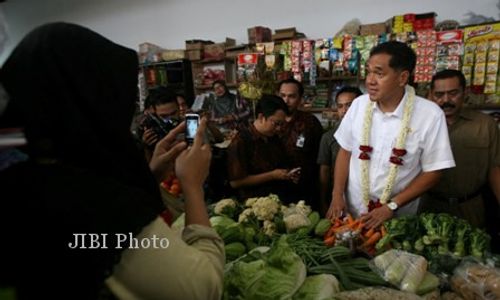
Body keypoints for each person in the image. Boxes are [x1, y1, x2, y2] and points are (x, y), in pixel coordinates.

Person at [0, 22, 224, 300]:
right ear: (91, 102)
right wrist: (192, 187)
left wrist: (149, 175)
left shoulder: (24, 178)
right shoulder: (93, 207)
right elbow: (203, 288)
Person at [327, 41, 455, 229]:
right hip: (351, 212)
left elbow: (434, 171)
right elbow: (345, 152)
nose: (370, 80)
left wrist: (392, 205)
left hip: (396, 217)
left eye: (379, 73)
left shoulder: (430, 115)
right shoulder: (359, 106)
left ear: (402, 78)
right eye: (368, 71)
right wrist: (337, 195)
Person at [420, 69, 500, 229]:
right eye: (439, 94)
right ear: (430, 95)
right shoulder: (420, 124)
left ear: (465, 93)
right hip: (429, 205)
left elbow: (495, 169)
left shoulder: (485, 125)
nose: (446, 100)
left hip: (471, 206)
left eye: (453, 93)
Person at [227, 94, 299, 203]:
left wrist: (289, 174)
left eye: (282, 124)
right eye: (276, 123)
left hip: (278, 199)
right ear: (261, 117)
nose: (279, 128)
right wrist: (272, 175)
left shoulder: (273, 137)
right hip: (253, 203)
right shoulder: (241, 141)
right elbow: (235, 182)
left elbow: (282, 164)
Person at [278, 78, 324, 210]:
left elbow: (320, 157)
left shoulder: (310, 122)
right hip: (278, 187)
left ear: (300, 98)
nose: (286, 101)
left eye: (291, 96)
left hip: (306, 187)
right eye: (282, 96)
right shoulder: (272, 122)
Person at [317, 86, 362, 215]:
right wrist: (324, 201)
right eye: (340, 106)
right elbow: (324, 172)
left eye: (349, 105)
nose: (344, 111)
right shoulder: (329, 137)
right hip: (338, 198)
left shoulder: (372, 134)